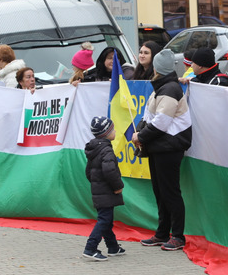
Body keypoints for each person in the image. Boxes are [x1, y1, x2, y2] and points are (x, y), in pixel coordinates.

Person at [132, 49, 192, 252]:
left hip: (170, 147)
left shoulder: (169, 89)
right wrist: (139, 131)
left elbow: (160, 123)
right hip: (160, 147)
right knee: (160, 191)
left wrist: (140, 136)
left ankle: (178, 236)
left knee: (170, 191)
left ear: (157, 68)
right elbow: (148, 115)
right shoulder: (162, 87)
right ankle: (162, 232)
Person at [82, 116, 126, 261]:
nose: (115, 131)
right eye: (112, 129)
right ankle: (90, 248)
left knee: (107, 219)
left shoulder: (94, 149)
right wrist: (118, 186)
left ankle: (112, 247)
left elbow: (88, 172)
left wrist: (96, 184)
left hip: (98, 190)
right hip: (107, 191)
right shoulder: (106, 150)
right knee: (104, 220)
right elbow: (110, 171)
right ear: (106, 133)